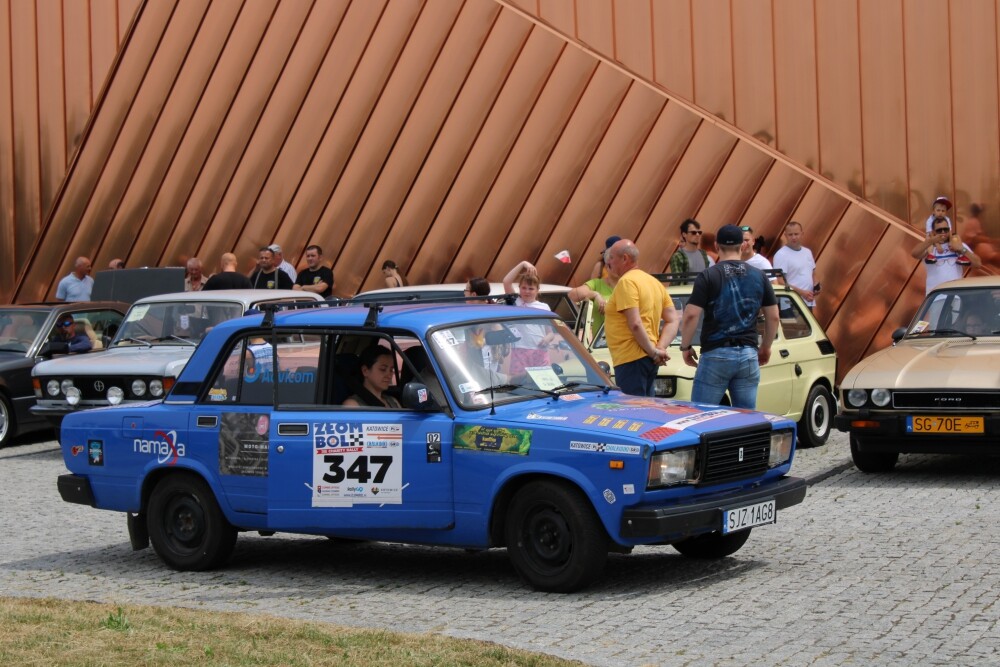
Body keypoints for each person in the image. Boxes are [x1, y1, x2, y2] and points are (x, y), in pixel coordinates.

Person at [679, 224, 779, 409]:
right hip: (749, 353)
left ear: (717, 246)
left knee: (701, 416)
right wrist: (765, 346)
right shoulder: (759, 276)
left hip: (716, 354)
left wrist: (685, 346)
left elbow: (691, 315)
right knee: (745, 418)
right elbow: (773, 317)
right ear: (742, 246)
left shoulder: (708, 275)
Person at [603, 239, 679, 396]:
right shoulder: (654, 282)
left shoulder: (627, 282)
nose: (609, 262)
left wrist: (654, 351)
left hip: (631, 357)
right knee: (647, 408)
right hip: (648, 357)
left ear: (625, 258)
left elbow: (635, 323)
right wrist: (659, 348)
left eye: (612, 257)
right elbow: (673, 319)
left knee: (634, 411)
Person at [910, 216, 981, 294]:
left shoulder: (957, 244)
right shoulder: (930, 247)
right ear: (934, 232)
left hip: (955, 295)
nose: (943, 232)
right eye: (939, 230)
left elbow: (978, 264)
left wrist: (962, 249)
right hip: (935, 295)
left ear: (949, 230)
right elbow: (914, 254)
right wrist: (931, 241)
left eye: (946, 229)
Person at [569, 255, 617, 340]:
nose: (616, 268)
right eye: (610, 265)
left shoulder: (628, 284)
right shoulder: (597, 284)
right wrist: (595, 294)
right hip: (601, 344)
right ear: (606, 267)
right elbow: (572, 295)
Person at [772, 221, 818, 308]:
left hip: (808, 301)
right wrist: (801, 293)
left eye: (796, 234)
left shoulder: (807, 252)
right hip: (791, 304)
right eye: (790, 234)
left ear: (802, 234)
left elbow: (813, 273)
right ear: (785, 235)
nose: (793, 237)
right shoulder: (781, 255)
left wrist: (817, 285)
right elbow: (779, 281)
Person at [923, 196, 971, 266]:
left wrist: (951, 241)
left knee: (956, 237)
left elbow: (949, 232)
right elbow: (931, 234)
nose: (940, 213)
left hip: (945, 237)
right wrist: (938, 245)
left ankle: (961, 256)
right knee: (928, 239)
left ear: (946, 212)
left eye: (943, 211)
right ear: (933, 211)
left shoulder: (947, 219)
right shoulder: (930, 220)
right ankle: (931, 255)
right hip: (934, 237)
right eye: (938, 210)